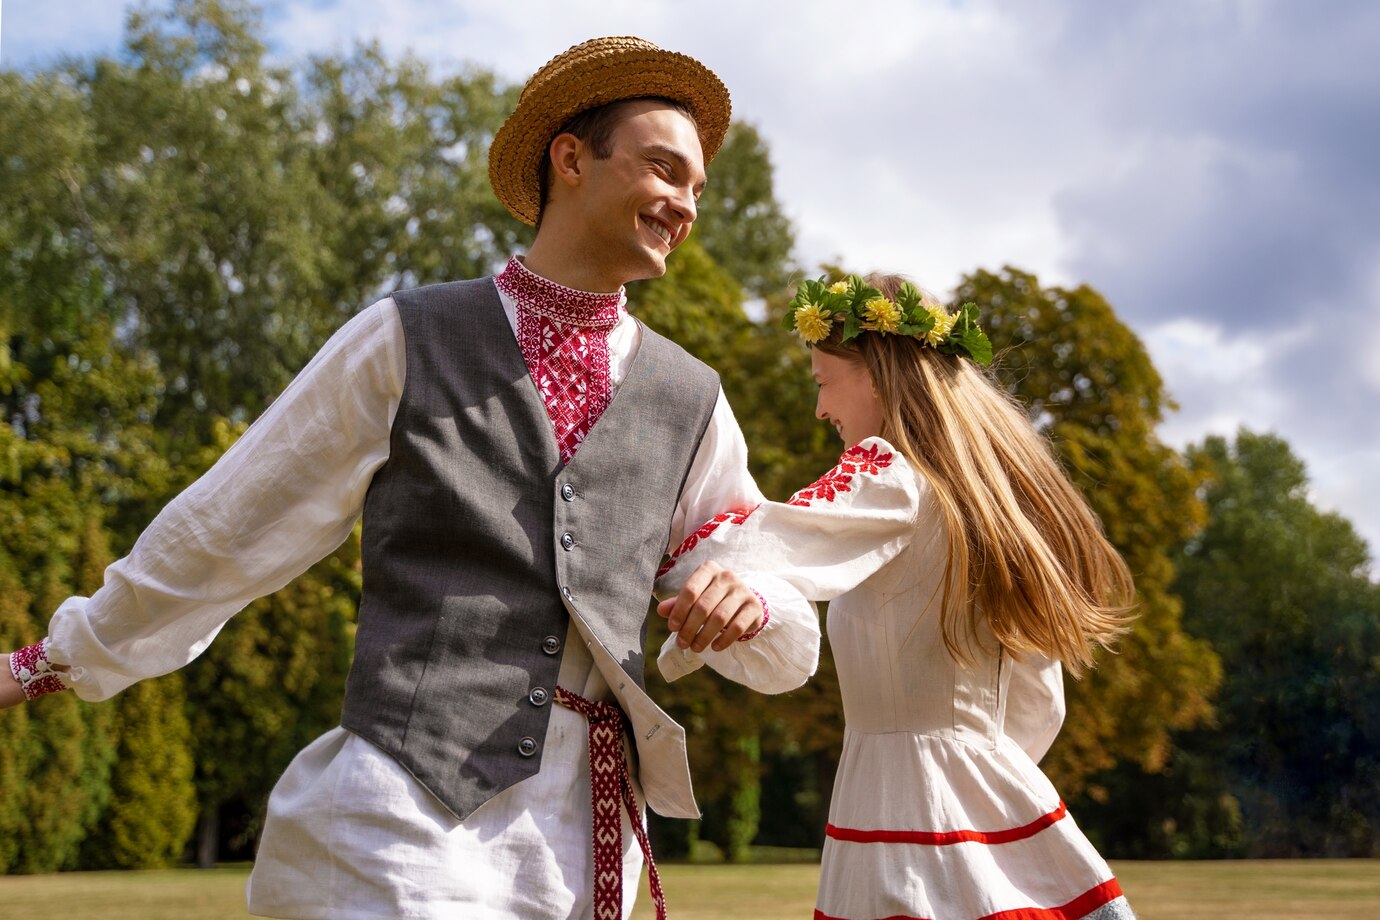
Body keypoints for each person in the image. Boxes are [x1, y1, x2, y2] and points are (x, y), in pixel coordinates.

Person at [0, 36, 820, 920]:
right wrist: (54, 659)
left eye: (698, 188)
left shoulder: (691, 398)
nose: (686, 204)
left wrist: (754, 603)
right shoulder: (406, 334)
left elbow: (773, 610)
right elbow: (232, 524)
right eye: (665, 169)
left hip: (582, 847)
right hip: (402, 823)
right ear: (572, 158)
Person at [654, 274, 1137, 919]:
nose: (820, 409)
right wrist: (984, 776)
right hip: (998, 797)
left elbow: (767, 542)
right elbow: (1038, 705)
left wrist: (631, 537)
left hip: (907, 810)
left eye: (823, 381)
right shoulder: (981, 510)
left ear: (877, 377)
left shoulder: (888, 472)